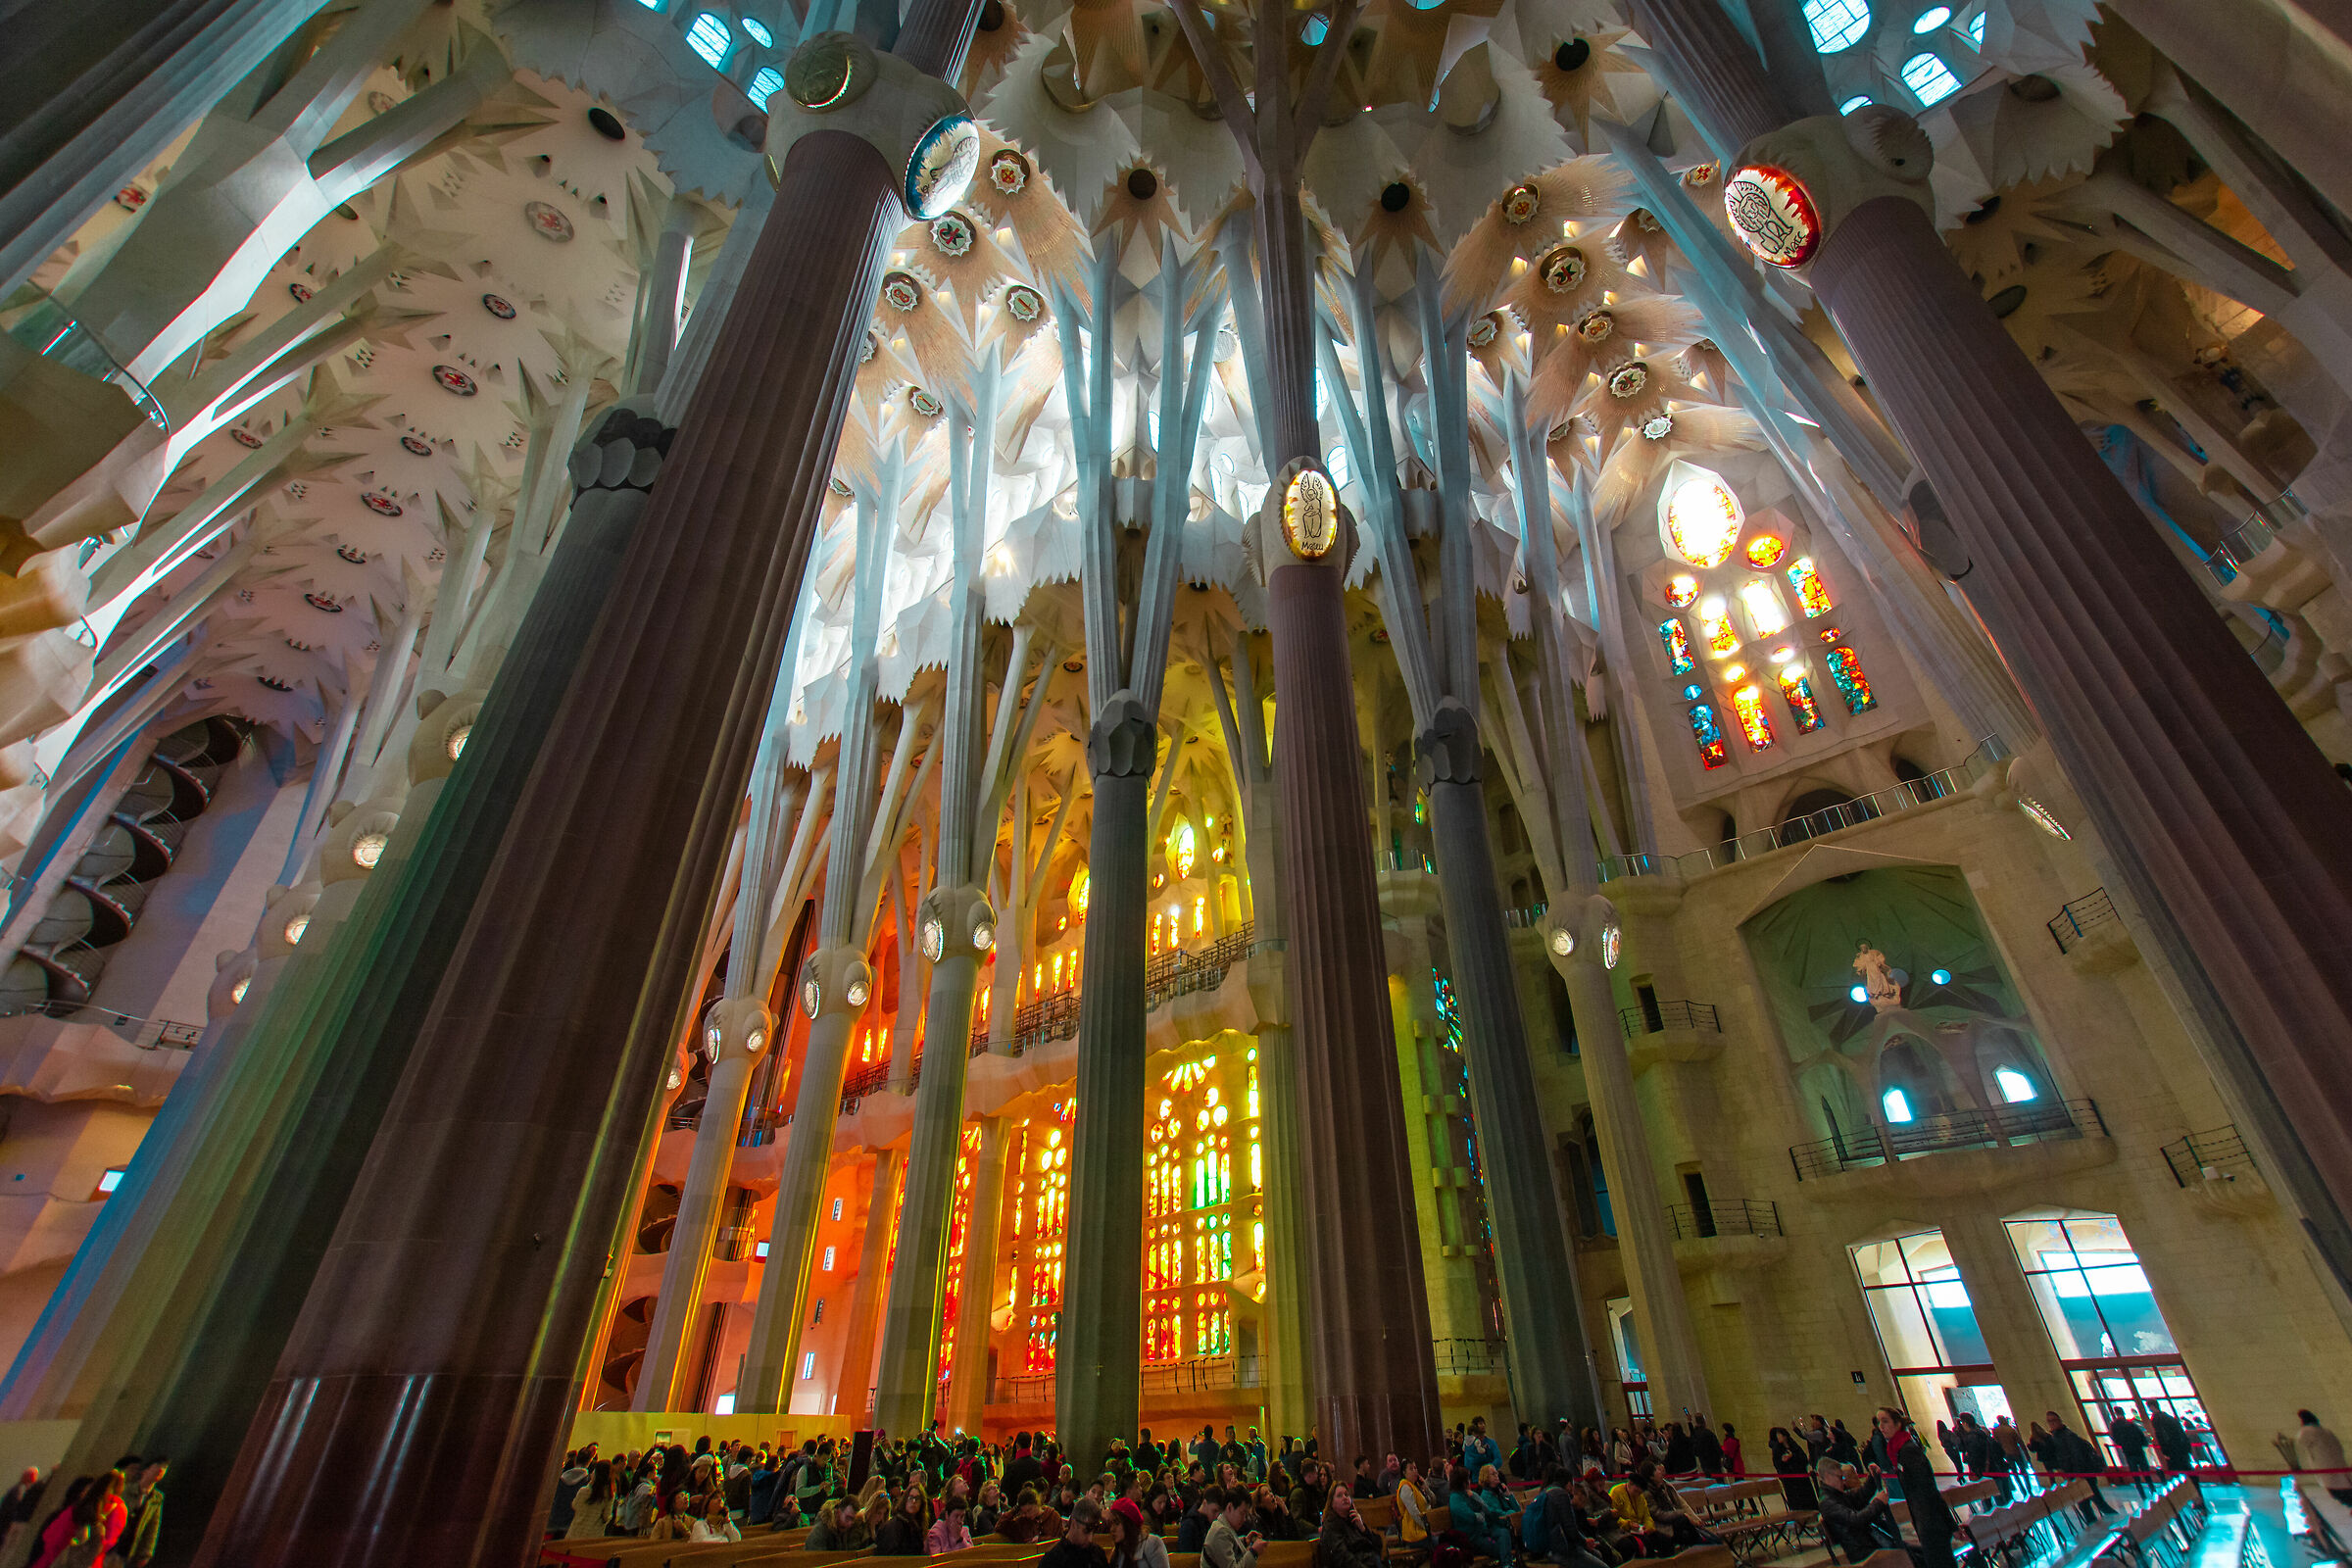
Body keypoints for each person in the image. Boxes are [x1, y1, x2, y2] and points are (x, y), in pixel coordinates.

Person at [1873, 1408, 1956, 1568]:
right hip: (1925, 1520)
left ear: (1897, 1424)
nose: (1881, 1427)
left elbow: (1929, 1490)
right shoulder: (1899, 1451)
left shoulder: (1908, 1451)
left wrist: (1949, 1524)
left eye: (1885, 1421)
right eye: (1879, 1422)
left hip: (1931, 1522)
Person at [32, 1472, 124, 1568]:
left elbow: (49, 1537)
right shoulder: (96, 1526)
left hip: (49, 1560)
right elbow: (92, 1557)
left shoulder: (74, 1510)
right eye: (113, 1501)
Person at [2042, 1411, 2119, 1519]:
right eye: (2049, 1421)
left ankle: (2112, 1523)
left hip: (2081, 1474)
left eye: (2053, 1420)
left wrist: (2077, 1475)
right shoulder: (2057, 1437)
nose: (2052, 1423)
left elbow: (2077, 1456)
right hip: (2077, 1474)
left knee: (2093, 1501)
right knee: (2088, 1503)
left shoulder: (2067, 1436)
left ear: (2059, 1421)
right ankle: (2101, 1524)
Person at [1816, 1464, 1900, 1563]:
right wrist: (1878, 1502)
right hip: (1862, 1549)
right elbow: (1856, 1520)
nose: (1844, 1480)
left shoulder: (1836, 1495)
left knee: (1913, 1552)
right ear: (1828, 1476)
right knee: (1911, 1555)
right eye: (1841, 1477)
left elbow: (1860, 1496)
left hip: (1867, 1542)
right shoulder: (1828, 1503)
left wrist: (1872, 1478)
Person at [1448, 1464, 1515, 1564]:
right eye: (1468, 1479)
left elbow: (1486, 1510)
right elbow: (1471, 1516)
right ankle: (1507, 1564)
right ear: (1462, 1482)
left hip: (1484, 1531)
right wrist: (1479, 1515)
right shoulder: (1455, 1498)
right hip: (1472, 1537)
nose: (1469, 1481)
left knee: (1503, 1533)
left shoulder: (1469, 1494)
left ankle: (1507, 1564)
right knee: (1501, 1547)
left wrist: (1475, 1496)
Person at [110, 1456, 165, 1568]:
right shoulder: (125, 1489)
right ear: (145, 1471)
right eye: (156, 1468)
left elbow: (153, 1526)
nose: (159, 1471)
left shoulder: (156, 1498)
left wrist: (146, 1553)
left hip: (127, 1550)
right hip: (112, 1543)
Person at [2288, 1411, 2352, 1504]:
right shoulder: (2327, 1432)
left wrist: (2298, 1468)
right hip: (2340, 1471)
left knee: (2341, 1493)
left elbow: (2299, 1449)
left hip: (2329, 1473)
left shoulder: (2306, 1432)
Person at [1318, 1485, 1386, 1568]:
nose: (1345, 1498)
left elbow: (1378, 1545)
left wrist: (1363, 1529)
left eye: (1347, 1495)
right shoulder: (1331, 1525)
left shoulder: (1354, 1520)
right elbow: (1343, 1557)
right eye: (1339, 1496)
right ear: (1332, 1503)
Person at [1206, 1488, 1264, 1568]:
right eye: (1242, 1513)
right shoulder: (1220, 1532)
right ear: (1229, 1507)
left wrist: (1244, 1541)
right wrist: (1253, 1552)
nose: (1244, 1519)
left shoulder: (1223, 1526)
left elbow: (1228, 1544)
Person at [1045, 1497, 1111, 1568]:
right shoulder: (1053, 1559)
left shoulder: (1097, 1554)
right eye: (1086, 1531)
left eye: (1094, 1531)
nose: (1090, 1539)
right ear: (1074, 1523)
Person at [564, 1460, 618, 1540]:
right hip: (594, 1535)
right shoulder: (609, 1495)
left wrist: (590, 1483)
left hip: (576, 1532)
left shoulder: (584, 1491)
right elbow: (607, 1516)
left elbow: (575, 1505)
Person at [1114, 1496, 1173, 1568]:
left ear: (1128, 1523)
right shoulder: (1119, 1549)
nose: (1112, 1529)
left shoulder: (1152, 1543)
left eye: (1117, 1523)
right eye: (1110, 1524)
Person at [549, 1449, 591, 1536]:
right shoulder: (587, 1482)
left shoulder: (562, 1476)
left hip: (555, 1517)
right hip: (571, 1522)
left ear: (575, 1460)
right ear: (589, 1462)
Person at [2107, 1409, 2151, 1483]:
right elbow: (2140, 1434)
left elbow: (2113, 1436)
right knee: (2145, 1470)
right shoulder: (2130, 1424)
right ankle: (2151, 1486)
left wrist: (2119, 1442)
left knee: (2134, 1471)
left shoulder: (2114, 1425)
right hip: (2138, 1449)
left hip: (2127, 1450)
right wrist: (2144, 1443)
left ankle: (2139, 1486)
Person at [2149, 1409, 2194, 1473]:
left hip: (2172, 1449)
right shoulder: (2171, 1419)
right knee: (2186, 1467)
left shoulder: (2157, 1421)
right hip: (2181, 1447)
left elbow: (2161, 1436)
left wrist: (2165, 1450)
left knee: (2177, 1469)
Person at [1181, 1487, 1225, 1552]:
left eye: (1219, 1513)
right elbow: (1185, 1557)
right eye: (1214, 1511)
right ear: (1204, 1503)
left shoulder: (1212, 1523)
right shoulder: (1189, 1525)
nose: (1217, 1517)